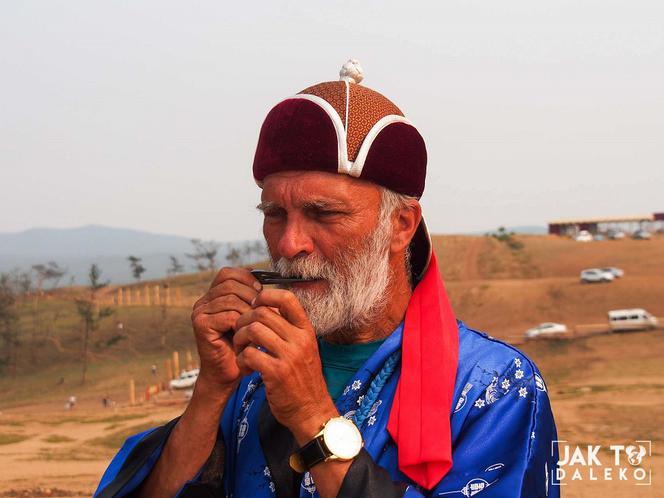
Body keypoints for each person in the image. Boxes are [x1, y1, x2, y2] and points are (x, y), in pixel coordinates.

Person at [94, 60, 559, 498]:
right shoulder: (252, 368)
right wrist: (212, 392)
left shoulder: (494, 385)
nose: (290, 243)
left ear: (401, 226)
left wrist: (311, 415)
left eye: (324, 213)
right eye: (275, 214)